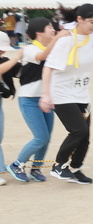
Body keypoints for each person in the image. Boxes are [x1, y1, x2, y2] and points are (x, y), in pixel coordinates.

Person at [39, 3, 93, 184]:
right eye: (91, 22)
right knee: (78, 130)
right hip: (62, 93)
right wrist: (46, 95)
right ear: (79, 19)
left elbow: (86, 58)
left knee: (85, 136)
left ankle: (75, 168)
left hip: (82, 93)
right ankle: (59, 165)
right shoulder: (66, 40)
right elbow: (48, 67)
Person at [6, 18, 68, 183]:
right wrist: (58, 37)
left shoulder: (53, 48)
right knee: (41, 137)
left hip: (46, 99)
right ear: (38, 31)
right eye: (49, 27)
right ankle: (17, 164)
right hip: (29, 99)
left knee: (46, 137)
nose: (53, 30)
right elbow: (41, 56)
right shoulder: (29, 49)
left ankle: (36, 168)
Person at [0, 31, 23, 184]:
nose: (2, 52)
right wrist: (16, 57)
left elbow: (22, 72)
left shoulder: (5, 60)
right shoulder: (7, 62)